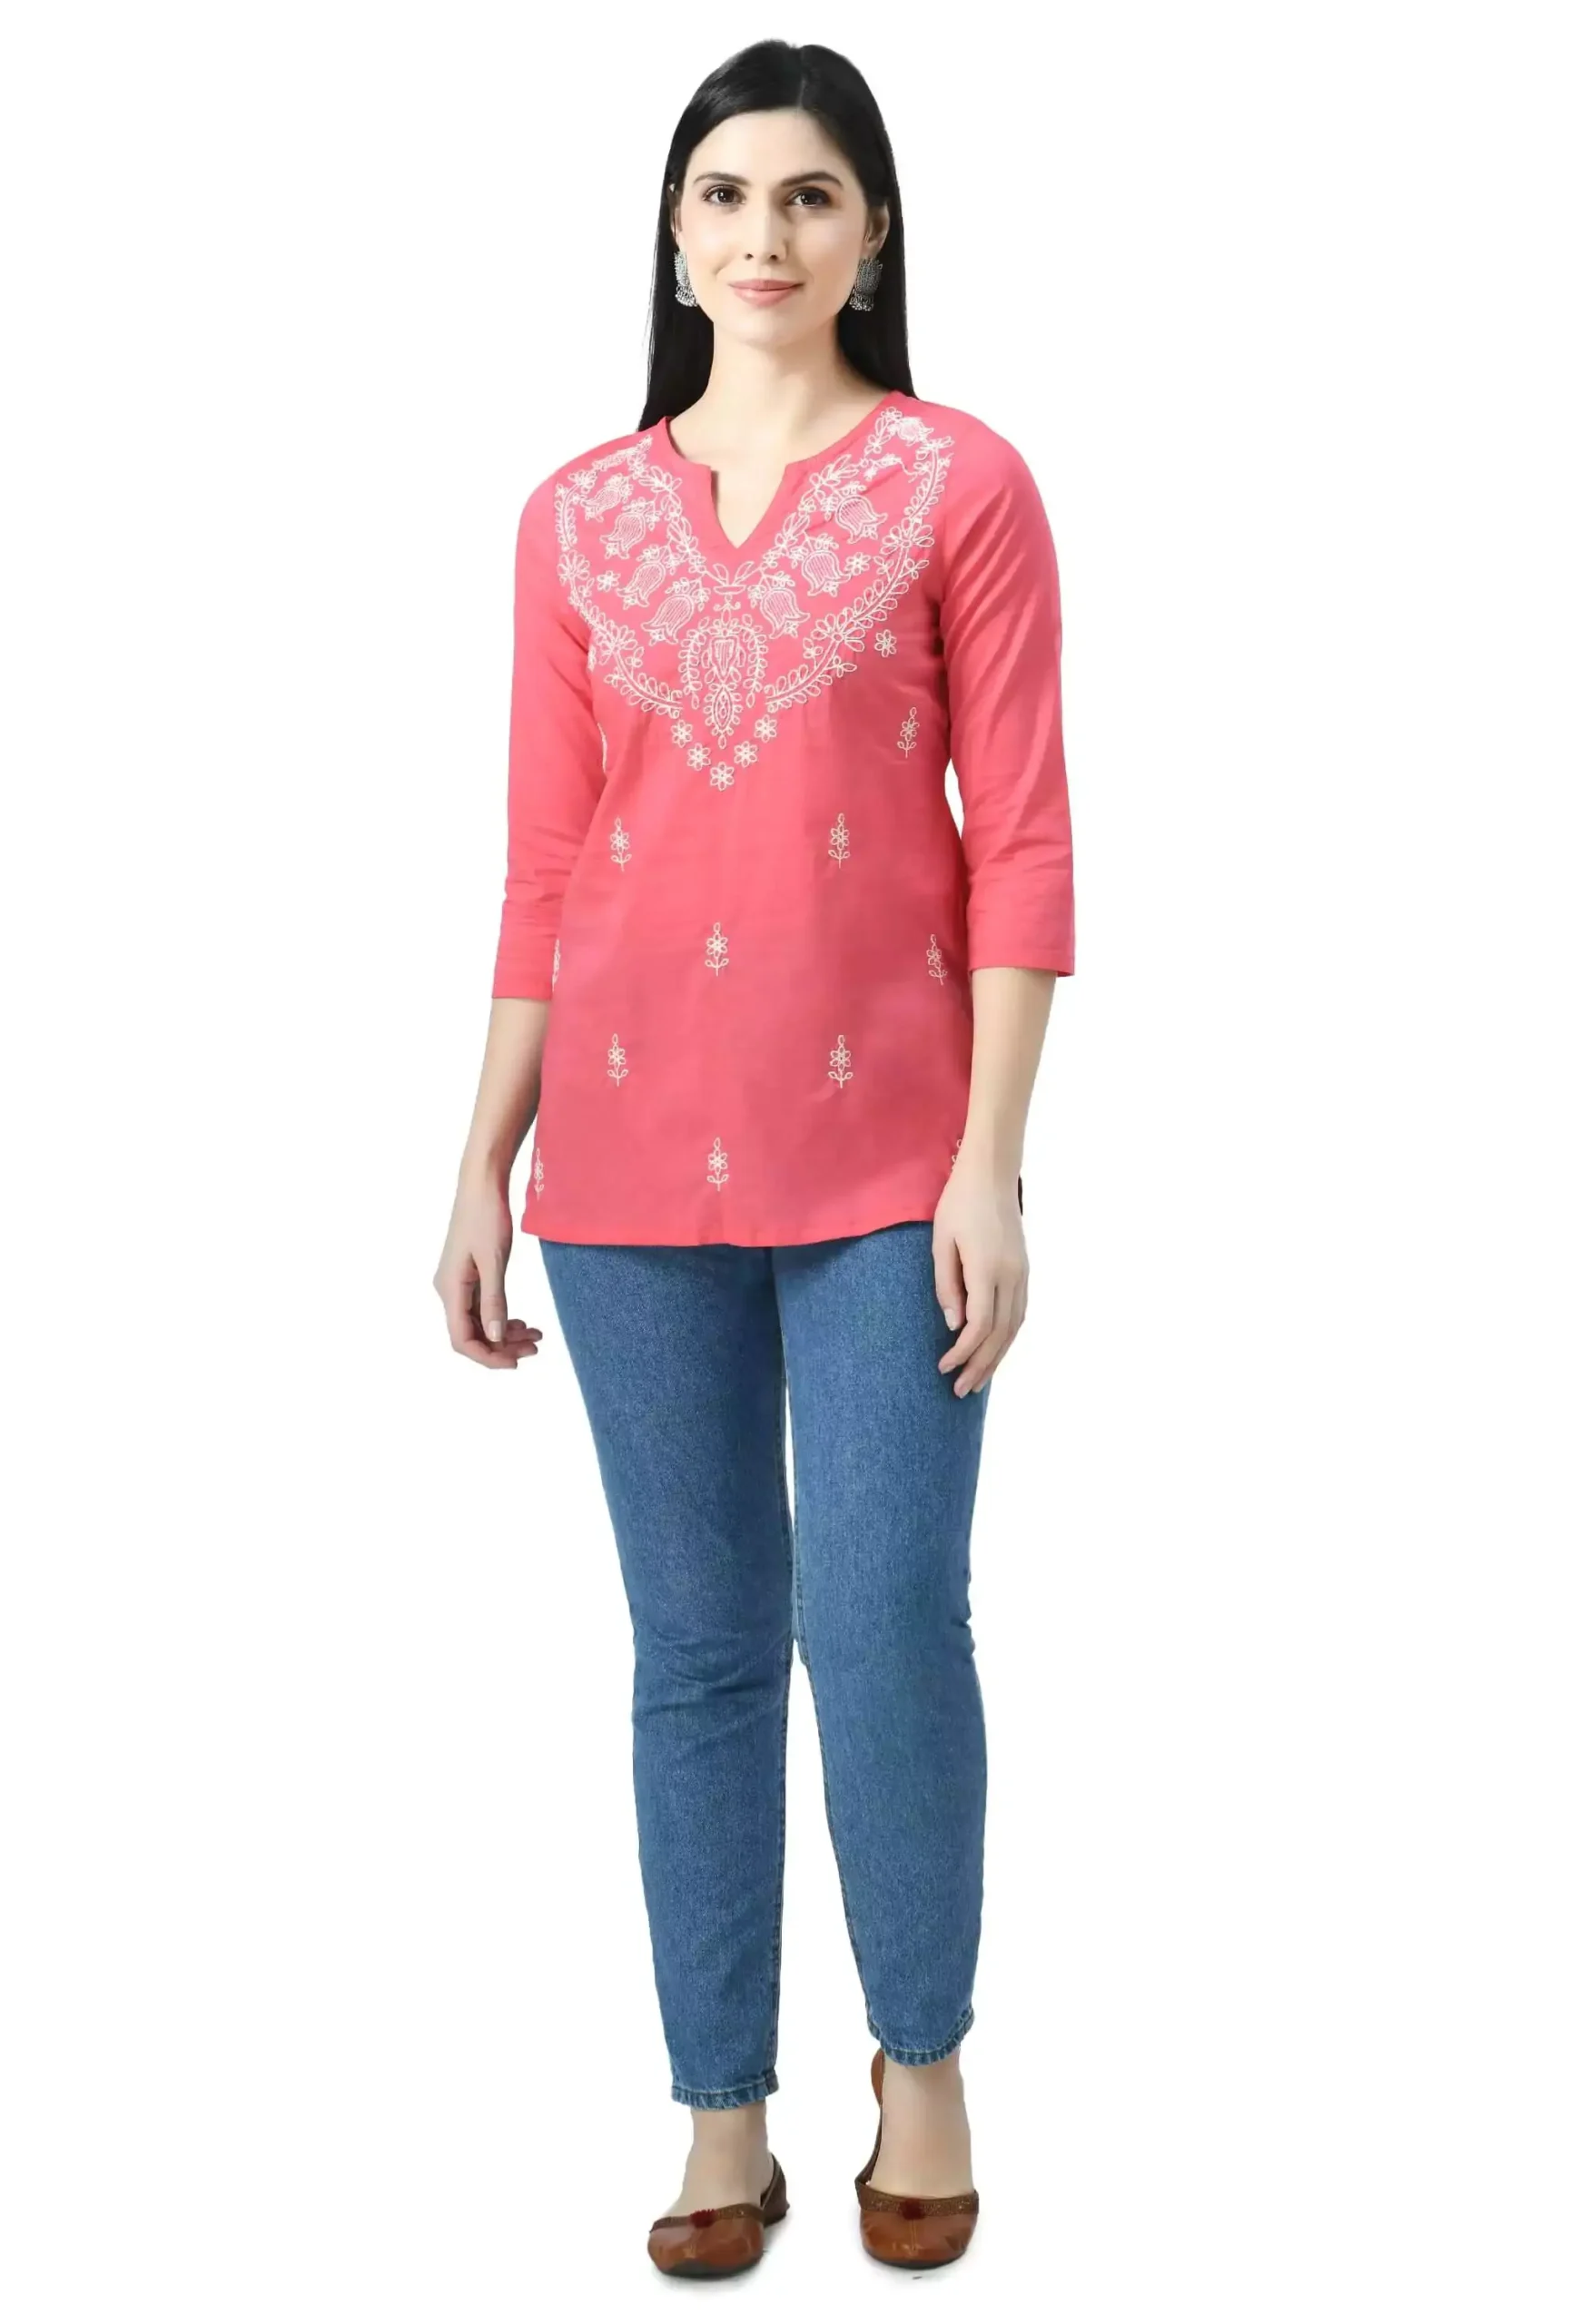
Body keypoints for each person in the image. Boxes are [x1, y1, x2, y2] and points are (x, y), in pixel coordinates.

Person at [434, 37, 1076, 2280]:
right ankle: (721, 2102)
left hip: (893, 1160)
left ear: (871, 233)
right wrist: (480, 1156)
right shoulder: (570, 518)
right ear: (673, 231)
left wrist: (991, 1165)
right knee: (698, 1643)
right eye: (723, 194)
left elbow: (1023, 845)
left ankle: (923, 2059)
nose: (762, 235)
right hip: (622, 1174)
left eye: (807, 195)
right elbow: (542, 866)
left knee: (883, 1617)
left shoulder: (960, 484)